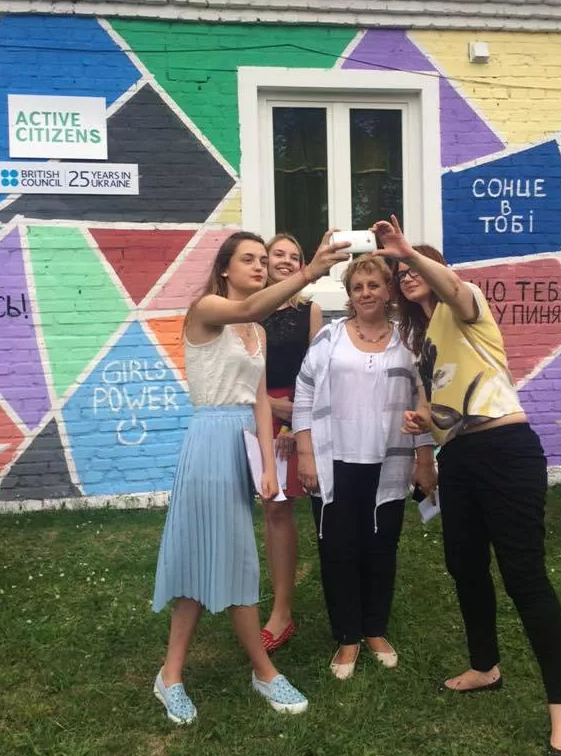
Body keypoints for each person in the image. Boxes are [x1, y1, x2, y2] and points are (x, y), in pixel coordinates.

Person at [373, 217, 561, 756]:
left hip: (506, 450)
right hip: (460, 459)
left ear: (433, 268)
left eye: (411, 266)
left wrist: (408, 252)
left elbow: (453, 288)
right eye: (398, 271)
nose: (404, 274)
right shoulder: (423, 343)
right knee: (464, 566)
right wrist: (426, 423)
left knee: (524, 576)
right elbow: (445, 408)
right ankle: (485, 666)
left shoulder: (466, 305)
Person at [152, 229, 350, 724]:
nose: (260, 266)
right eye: (249, 259)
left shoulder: (257, 331)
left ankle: (171, 674)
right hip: (209, 441)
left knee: (212, 555)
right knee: (234, 556)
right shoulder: (208, 309)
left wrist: (267, 465)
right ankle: (261, 671)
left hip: (242, 443)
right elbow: (245, 307)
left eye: (264, 259)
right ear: (224, 268)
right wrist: (310, 271)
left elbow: (260, 401)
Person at [293, 254, 436, 680]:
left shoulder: (407, 343)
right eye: (357, 287)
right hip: (333, 462)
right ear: (349, 295)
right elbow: (304, 393)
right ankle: (347, 636)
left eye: (374, 285)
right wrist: (305, 454)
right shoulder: (329, 337)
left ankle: (374, 629)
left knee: (380, 549)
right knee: (337, 551)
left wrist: (424, 458)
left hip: (387, 465)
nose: (366, 293)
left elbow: (420, 405)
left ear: (389, 290)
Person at [260, 233, 323, 653]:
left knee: (298, 508)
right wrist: (267, 406)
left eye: (294, 256)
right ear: (265, 261)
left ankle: (284, 611)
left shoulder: (309, 311)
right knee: (272, 508)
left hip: (298, 416)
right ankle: (277, 607)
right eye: (278, 254)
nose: (286, 260)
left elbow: (317, 373)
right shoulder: (247, 309)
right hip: (256, 413)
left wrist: (292, 423)